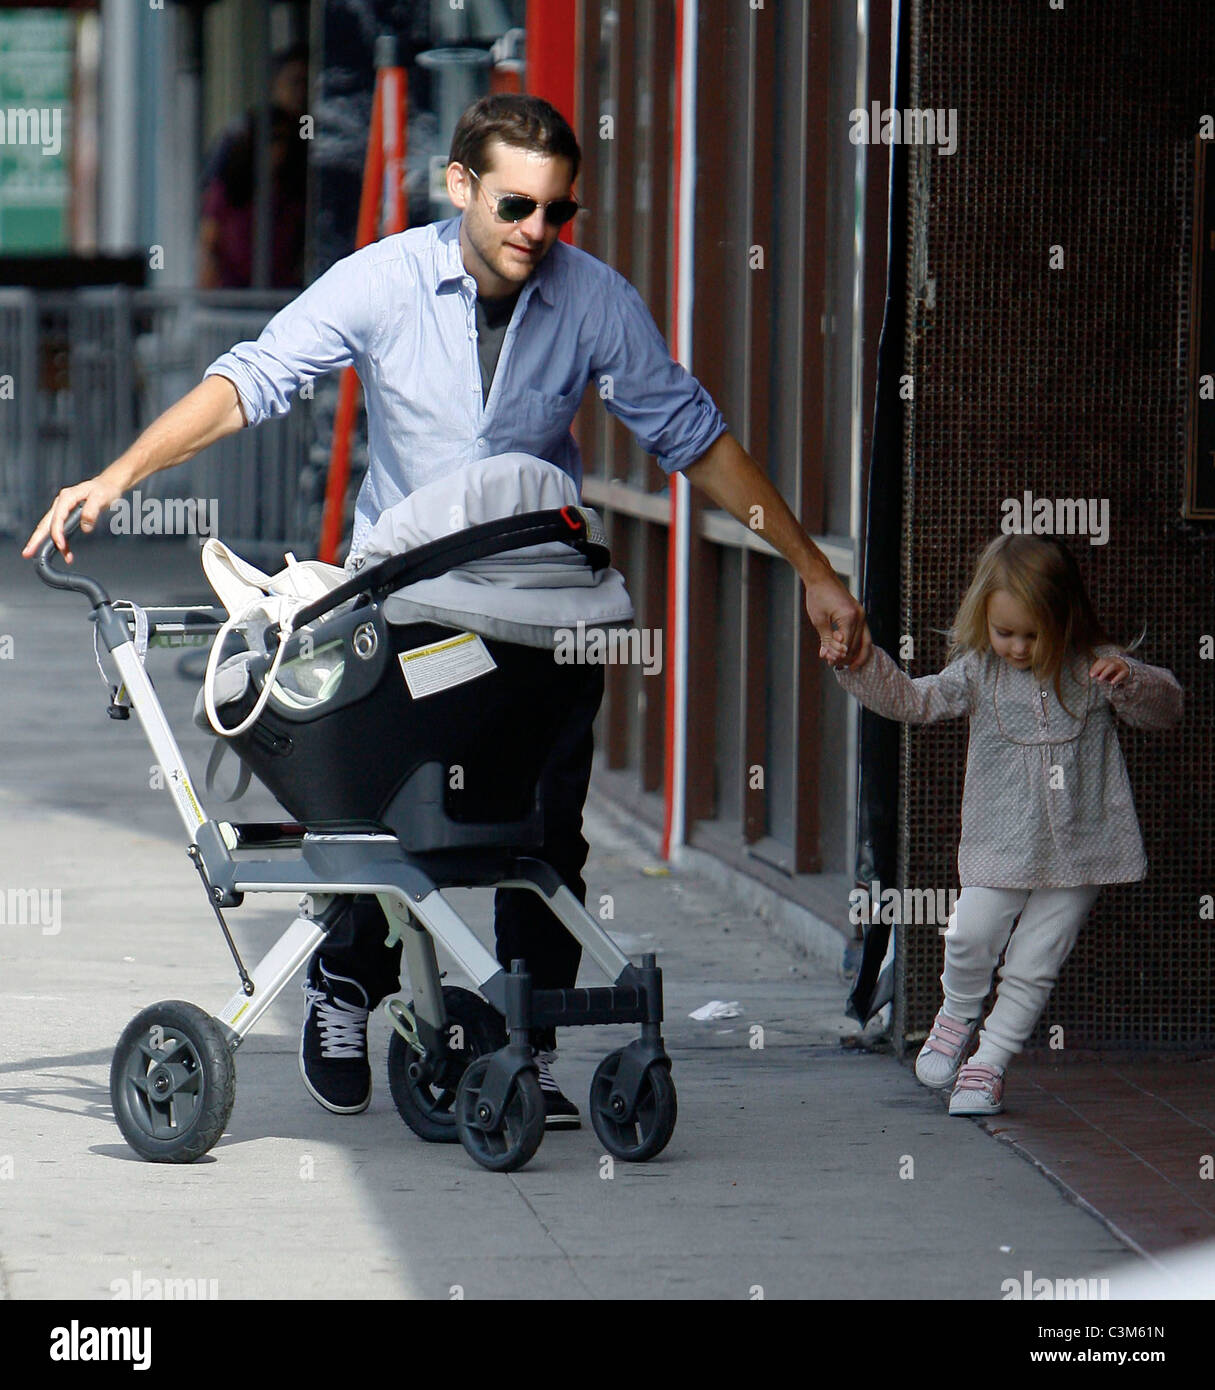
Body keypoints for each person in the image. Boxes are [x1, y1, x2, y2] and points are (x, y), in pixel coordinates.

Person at [23, 93, 869, 1130]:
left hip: (532, 608)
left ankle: (532, 1035)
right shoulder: (382, 282)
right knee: (381, 812)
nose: (536, 232)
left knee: (544, 829)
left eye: (559, 212)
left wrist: (812, 571)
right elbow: (252, 381)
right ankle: (346, 980)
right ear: (460, 184)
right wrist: (115, 478)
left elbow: (693, 437)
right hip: (411, 603)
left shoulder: (592, 299)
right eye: (516, 204)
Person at [828, 533, 1182, 1115]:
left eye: (1032, 634)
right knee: (969, 933)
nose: (1017, 648)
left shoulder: (1097, 668)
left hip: (1082, 848)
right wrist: (862, 665)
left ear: (1065, 619)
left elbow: (1167, 710)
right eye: (1004, 632)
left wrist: (1133, 680)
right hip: (1002, 840)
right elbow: (916, 703)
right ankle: (956, 1015)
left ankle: (988, 1063)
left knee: (1034, 962)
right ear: (984, 621)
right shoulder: (979, 674)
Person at [197, 43, 308, 289]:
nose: (302, 93)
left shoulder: (304, 160)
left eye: (308, 84)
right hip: (234, 292)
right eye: (296, 82)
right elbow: (210, 235)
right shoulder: (236, 145)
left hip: (281, 290)